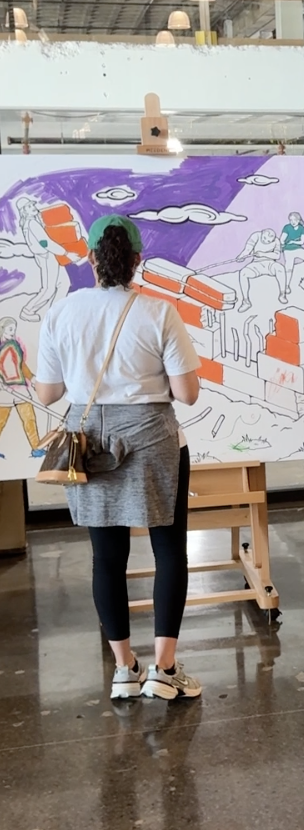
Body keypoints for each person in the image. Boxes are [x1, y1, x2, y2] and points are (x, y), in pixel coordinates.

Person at [35, 215, 204, 700]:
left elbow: (48, 393)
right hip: (153, 440)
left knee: (106, 559)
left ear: (91, 259)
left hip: (89, 444)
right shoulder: (159, 312)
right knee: (169, 552)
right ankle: (164, 671)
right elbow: (187, 394)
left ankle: (125, 670)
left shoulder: (62, 313)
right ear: (137, 260)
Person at [17, 198, 80, 322]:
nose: (33, 207)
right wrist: (66, 253)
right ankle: (28, 310)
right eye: (29, 207)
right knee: (48, 289)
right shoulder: (32, 223)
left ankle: (55, 312)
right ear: (24, 211)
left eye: (32, 205)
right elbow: (45, 243)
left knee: (64, 283)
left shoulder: (33, 221)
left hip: (47, 256)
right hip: (46, 257)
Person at [0, 316, 44, 458]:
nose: (13, 332)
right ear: (2, 330)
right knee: (0, 421)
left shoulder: (15, 345)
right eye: (10, 329)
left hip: (19, 387)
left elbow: (21, 365)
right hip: (4, 390)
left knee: (29, 418)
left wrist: (32, 379)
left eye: (14, 329)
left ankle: (37, 448)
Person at [236, 228, 287, 312]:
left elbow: (277, 256)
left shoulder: (276, 241)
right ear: (262, 233)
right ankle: (246, 301)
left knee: (280, 269)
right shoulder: (255, 236)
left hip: (270, 263)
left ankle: (282, 294)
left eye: (268, 241)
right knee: (243, 273)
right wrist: (241, 256)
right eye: (264, 238)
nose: (265, 241)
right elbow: (247, 249)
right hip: (256, 263)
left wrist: (263, 254)